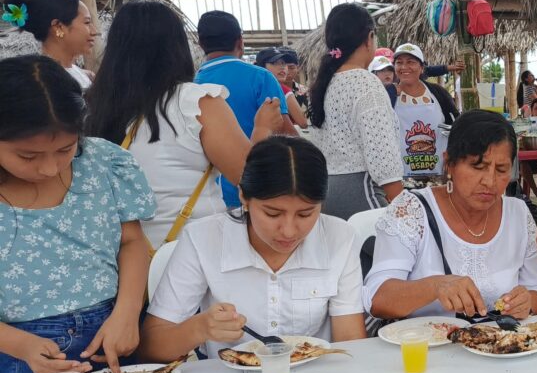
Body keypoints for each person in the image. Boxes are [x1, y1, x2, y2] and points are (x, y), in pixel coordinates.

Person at [0, 55, 156, 373]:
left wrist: (127, 313)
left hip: (113, 333)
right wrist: (21, 344)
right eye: (27, 156)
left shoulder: (102, 162)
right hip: (17, 353)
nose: (49, 168)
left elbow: (131, 242)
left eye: (65, 149)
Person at [138, 137, 366, 361]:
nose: (289, 231)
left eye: (305, 214)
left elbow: (350, 343)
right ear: (243, 197)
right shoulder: (203, 239)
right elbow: (151, 347)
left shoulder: (339, 237)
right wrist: (199, 328)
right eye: (272, 214)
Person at [85, 1, 284, 250]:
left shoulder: (94, 105)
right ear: (177, 47)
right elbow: (251, 178)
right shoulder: (196, 103)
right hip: (193, 252)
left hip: (118, 253)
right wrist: (262, 130)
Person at [364, 110, 537, 320]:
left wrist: (526, 302)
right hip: (425, 340)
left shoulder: (517, 214)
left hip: (498, 340)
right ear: (449, 164)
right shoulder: (412, 212)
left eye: (501, 169)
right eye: (478, 166)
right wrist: (435, 286)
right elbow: (377, 299)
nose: (490, 181)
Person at [307, 3, 405, 220]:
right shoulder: (365, 83)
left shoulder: (326, 83)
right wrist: (405, 212)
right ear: (369, 38)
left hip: (325, 194)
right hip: (361, 192)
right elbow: (383, 158)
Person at [194, 10, 293, 208]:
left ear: (200, 44)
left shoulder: (192, 84)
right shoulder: (260, 77)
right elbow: (286, 133)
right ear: (240, 42)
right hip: (256, 187)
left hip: (208, 194)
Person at [384, 43, 460, 180]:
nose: (404, 67)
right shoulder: (388, 95)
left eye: (410, 62)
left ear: (422, 68)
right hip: (400, 178)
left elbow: (457, 126)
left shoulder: (438, 93)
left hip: (438, 175)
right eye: (399, 62)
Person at [2, 0, 98, 90]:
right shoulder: (43, 84)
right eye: (87, 22)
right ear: (58, 27)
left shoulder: (84, 76)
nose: (94, 31)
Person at [255, 47, 309, 129]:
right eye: (275, 63)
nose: (283, 67)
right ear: (261, 67)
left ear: (298, 68)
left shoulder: (252, 87)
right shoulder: (282, 90)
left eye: (283, 63)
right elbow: (303, 123)